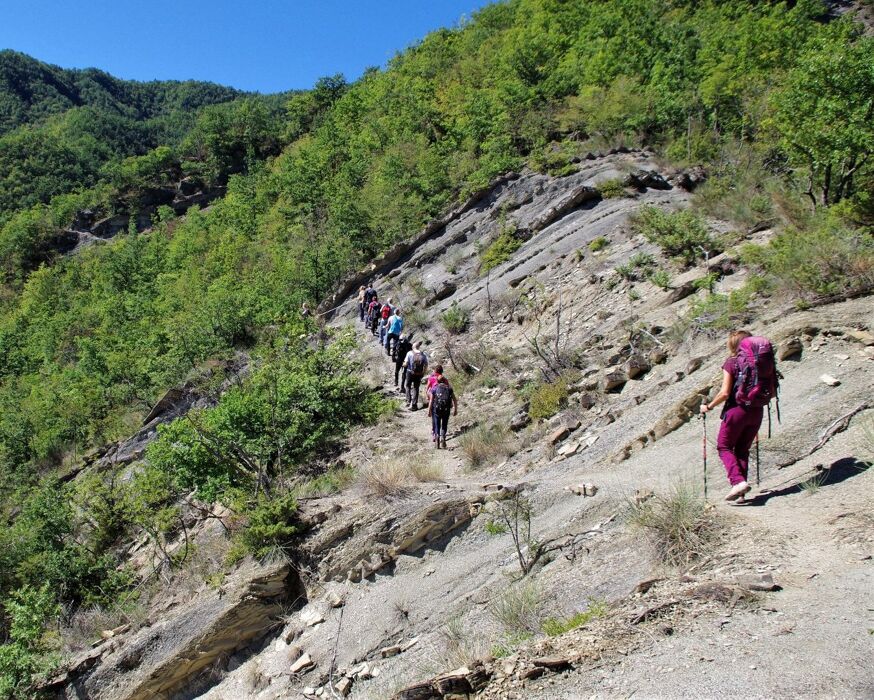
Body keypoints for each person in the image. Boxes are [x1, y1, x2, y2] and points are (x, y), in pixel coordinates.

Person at [700, 329, 764, 502]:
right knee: (742, 449)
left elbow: (725, 393)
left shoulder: (732, 362)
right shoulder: (759, 363)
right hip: (757, 410)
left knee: (724, 447)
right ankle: (740, 492)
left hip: (736, 411)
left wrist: (709, 406)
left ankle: (737, 482)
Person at [428, 376, 457, 449]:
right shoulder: (449, 388)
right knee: (444, 424)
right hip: (446, 409)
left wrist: (429, 410)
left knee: (437, 423)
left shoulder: (434, 388)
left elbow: (431, 400)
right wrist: (455, 409)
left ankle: (437, 437)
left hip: (436, 409)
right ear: (444, 381)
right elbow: (454, 400)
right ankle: (443, 437)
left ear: (437, 381)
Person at [404, 341, 428, 410]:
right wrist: (423, 372)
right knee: (416, 388)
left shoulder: (409, 353)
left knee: (408, 386)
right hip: (419, 374)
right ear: (418, 347)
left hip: (410, 372)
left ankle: (408, 401)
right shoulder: (423, 354)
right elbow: (426, 365)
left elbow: (405, 364)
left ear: (413, 347)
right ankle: (414, 405)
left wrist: (403, 364)